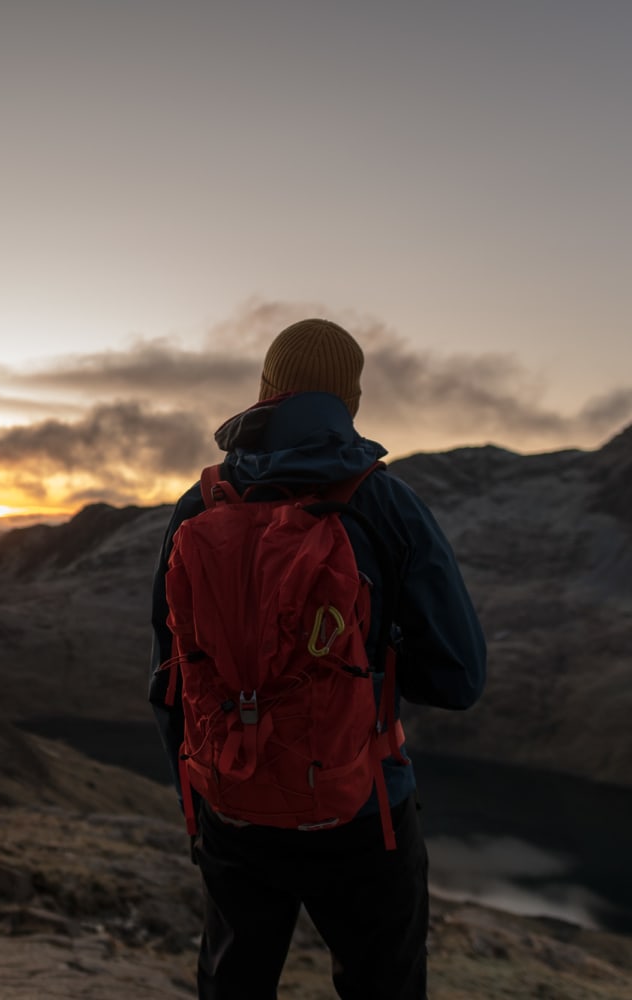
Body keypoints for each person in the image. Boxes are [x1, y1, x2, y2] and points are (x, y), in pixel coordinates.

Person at [148, 318, 486, 1000]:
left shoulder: (200, 504)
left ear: (266, 392)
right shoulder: (385, 503)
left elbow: (170, 677)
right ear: (350, 402)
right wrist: (362, 673)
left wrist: (211, 780)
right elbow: (459, 679)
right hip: (362, 808)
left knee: (234, 984)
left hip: (233, 807)